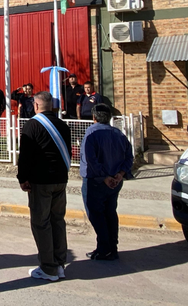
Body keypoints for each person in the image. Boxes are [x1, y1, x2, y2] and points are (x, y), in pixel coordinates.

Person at [17, 91, 71, 281]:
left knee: (41, 223)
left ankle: (48, 268)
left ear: (36, 105)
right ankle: (59, 264)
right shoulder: (63, 125)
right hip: (60, 180)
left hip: (40, 181)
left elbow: (25, 155)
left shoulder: (32, 125)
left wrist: (22, 177)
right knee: (58, 221)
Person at [80, 103, 134, 261]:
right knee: (110, 213)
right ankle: (112, 247)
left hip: (97, 181)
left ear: (94, 117)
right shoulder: (118, 134)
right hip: (114, 182)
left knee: (96, 214)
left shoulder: (91, 133)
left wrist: (105, 177)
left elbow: (90, 159)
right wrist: (120, 174)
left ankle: (105, 248)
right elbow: (129, 157)